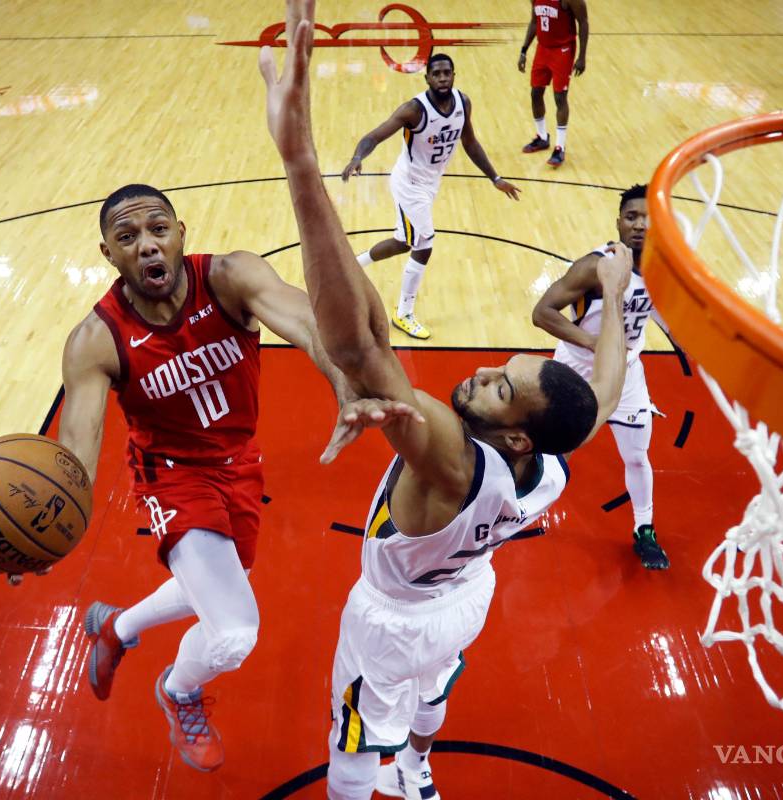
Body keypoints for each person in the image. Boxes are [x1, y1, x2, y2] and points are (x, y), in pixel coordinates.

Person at [259, 6, 631, 798]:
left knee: (355, 745)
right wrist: (616, 290)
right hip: (467, 597)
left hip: (392, 619)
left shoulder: (448, 453)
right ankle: (421, 773)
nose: (481, 375)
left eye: (501, 386)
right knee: (432, 695)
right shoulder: (558, 458)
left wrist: (300, 163)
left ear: (519, 436)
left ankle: (377, 782)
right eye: (502, 365)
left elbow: (361, 349)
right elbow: (601, 389)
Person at [0, 183, 414, 772]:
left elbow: (310, 323)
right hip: (170, 478)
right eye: (128, 237)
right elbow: (76, 454)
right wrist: (41, 533)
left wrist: (343, 384)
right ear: (108, 254)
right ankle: (178, 692)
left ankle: (117, 627)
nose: (147, 246)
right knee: (232, 631)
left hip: (240, 463)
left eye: (157, 230)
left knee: (221, 582)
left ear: (181, 233)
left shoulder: (231, 278)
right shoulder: (95, 340)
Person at [532, 184, 671, 570]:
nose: (640, 225)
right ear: (619, 223)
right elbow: (542, 312)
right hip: (575, 371)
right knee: (553, 450)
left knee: (638, 456)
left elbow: (659, 315)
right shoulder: (595, 267)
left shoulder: (661, 269)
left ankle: (644, 529)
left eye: (648, 218)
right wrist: (595, 344)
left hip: (627, 376)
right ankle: (518, 505)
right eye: (632, 217)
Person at [341, 53, 521, 341]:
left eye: (446, 73)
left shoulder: (463, 103)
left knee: (404, 242)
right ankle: (404, 313)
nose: (442, 78)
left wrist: (495, 177)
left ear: (453, 74)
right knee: (424, 242)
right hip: (409, 185)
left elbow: (470, 141)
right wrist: (357, 157)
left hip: (430, 184)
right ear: (427, 78)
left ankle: (351, 265)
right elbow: (374, 136)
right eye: (436, 74)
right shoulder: (414, 109)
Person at [518, 0, 589, 167]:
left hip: (563, 50)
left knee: (559, 98)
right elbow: (535, 22)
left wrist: (582, 56)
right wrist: (523, 50)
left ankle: (560, 147)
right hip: (542, 49)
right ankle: (542, 137)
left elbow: (583, 23)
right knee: (535, 93)